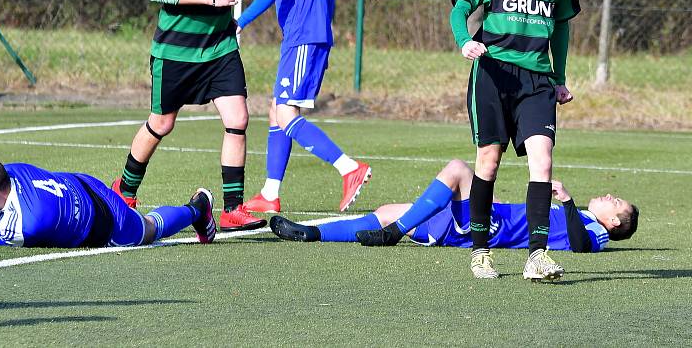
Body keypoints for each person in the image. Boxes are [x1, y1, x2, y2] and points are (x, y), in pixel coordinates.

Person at [111, 0, 265, 232]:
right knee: (162, 123)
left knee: (238, 119)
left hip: (220, 48)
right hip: (176, 51)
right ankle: (125, 191)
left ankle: (232, 208)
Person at [449, 0, 581, 279]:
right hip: (493, 74)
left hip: (537, 80)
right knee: (488, 162)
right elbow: (460, 7)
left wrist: (559, 79)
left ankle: (537, 255)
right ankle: (480, 250)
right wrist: (465, 41)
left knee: (543, 161)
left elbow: (561, 28)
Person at [270, 159, 639, 280]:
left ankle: (396, 233)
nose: (609, 196)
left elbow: (579, 244)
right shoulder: (588, 218)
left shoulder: (594, 231)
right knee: (385, 212)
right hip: (483, 220)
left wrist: (569, 200)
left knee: (459, 169)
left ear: (615, 224)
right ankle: (312, 233)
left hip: (489, 226)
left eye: (616, 202)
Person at [236, 0, 371, 214]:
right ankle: (270, 193)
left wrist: (240, 21)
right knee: (276, 111)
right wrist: (323, 30)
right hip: (309, 35)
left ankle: (349, 168)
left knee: (286, 115)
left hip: (303, 36)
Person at [0, 155, 217, 248]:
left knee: (148, 229)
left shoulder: (26, 225)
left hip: (104, 223)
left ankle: (198, 208)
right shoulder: (9, 172)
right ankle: (195, 210)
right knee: (145, 224)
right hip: (85, 183)